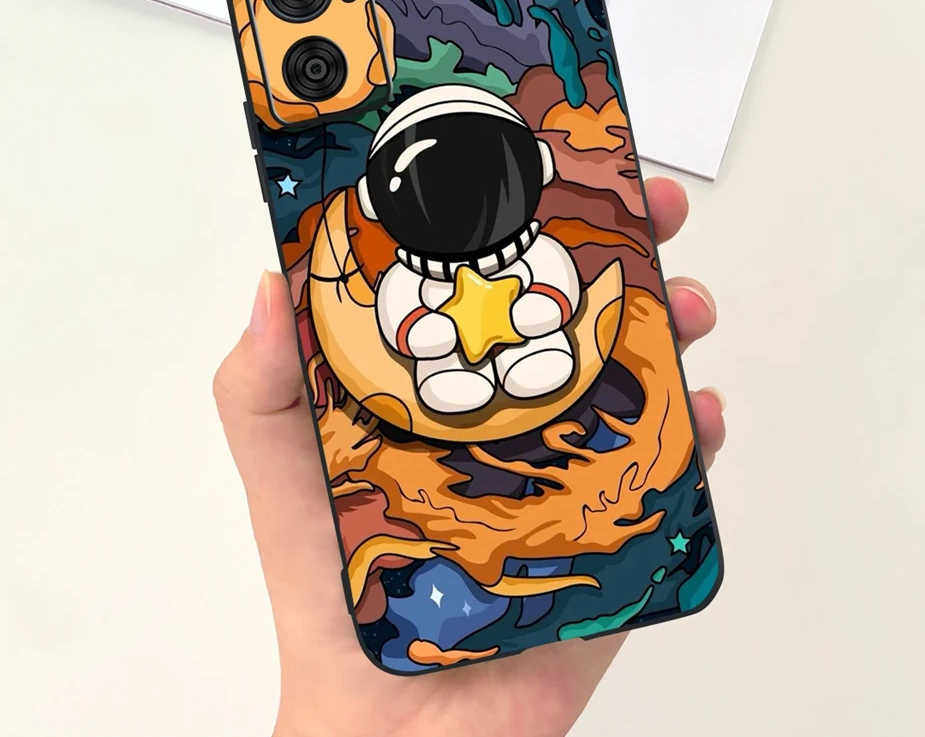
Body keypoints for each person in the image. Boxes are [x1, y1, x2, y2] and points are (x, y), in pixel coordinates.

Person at [213, 177, 727, 737]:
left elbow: (559, 289)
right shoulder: (406, 280)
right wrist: (433, 330)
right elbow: (405, 327)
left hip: (540, 370)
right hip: (453, 397)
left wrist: (531, 313)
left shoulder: (537, 252)